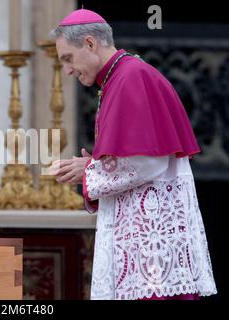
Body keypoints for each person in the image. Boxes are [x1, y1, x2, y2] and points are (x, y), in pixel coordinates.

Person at [49, 8, 217, 300]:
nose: (67, 70)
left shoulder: (131, 78)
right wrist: (93, 164)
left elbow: (146, 162)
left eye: (68, 59)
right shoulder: (119, 77)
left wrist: (88, 170)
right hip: (140, 242)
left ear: (89, 43)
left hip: (150, 253)